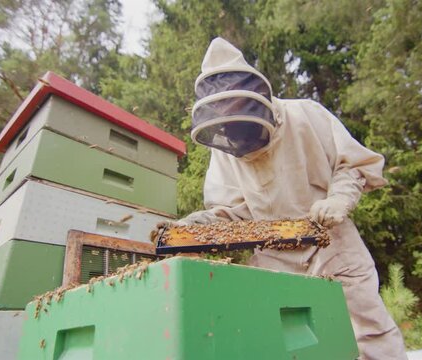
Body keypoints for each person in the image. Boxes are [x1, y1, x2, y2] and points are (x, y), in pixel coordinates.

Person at [174, 37, 407, 359]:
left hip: (330, 241)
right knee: (287, 341)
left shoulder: (306, 115)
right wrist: (204, 222)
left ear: (256, 101)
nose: (236, 132)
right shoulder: (226, 145)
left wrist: (338, 199)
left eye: (237, 113)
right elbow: (231, 210)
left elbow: (351, 166)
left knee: (368, 327)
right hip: (273, 253)